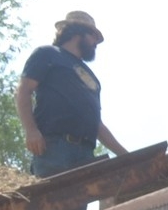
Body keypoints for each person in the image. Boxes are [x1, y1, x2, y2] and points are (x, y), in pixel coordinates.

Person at [16, 11, 129, 178]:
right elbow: (23, 91)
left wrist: (126, 157)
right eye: (93, 36)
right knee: (52, 200)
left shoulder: (92, 78)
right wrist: (31, 131)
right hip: (55, 147)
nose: (96, 42)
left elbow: (97, 124)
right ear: (77, 32)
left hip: (85, 152)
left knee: (79, 202)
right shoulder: (47, 54)